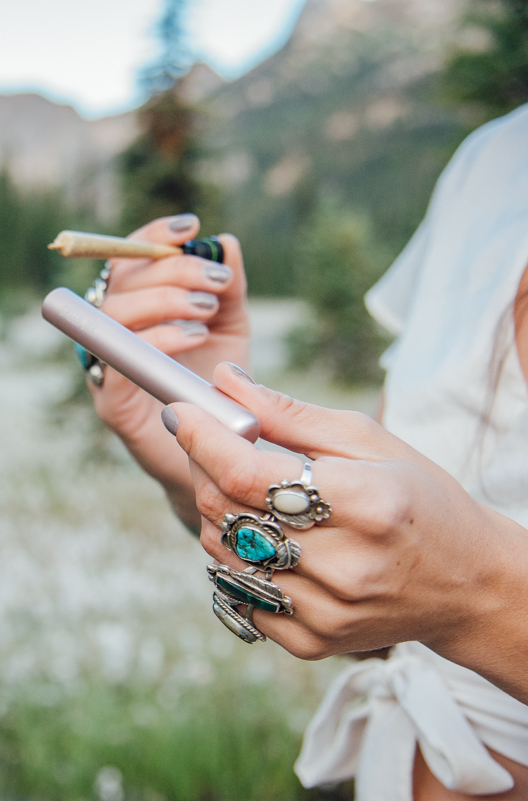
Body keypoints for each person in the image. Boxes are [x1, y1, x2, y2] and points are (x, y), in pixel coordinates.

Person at [86, 102, 528, 801]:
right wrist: (201, 462)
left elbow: (449, 586)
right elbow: (388, 597)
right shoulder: (493, 162)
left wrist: (482, 598)